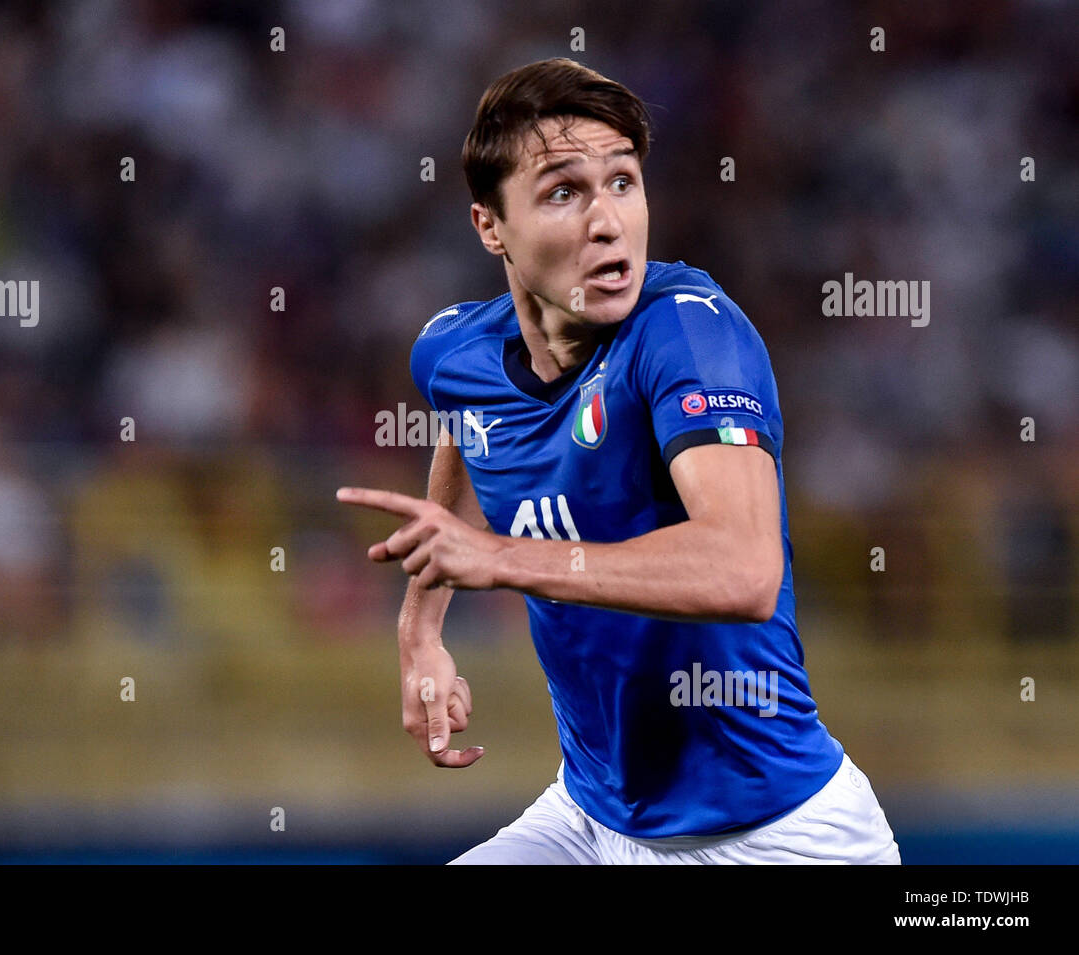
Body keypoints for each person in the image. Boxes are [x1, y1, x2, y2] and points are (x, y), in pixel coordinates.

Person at [337, 57, 900, 864]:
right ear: (490, 226)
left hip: (775, 838)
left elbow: (743, 571)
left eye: (624, 183)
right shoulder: (453, 352)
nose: (608, 221)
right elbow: (470, 436)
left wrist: (501, 556)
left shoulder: (689, 334)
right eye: (565, 191)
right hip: (590, 817)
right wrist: (420, 628)